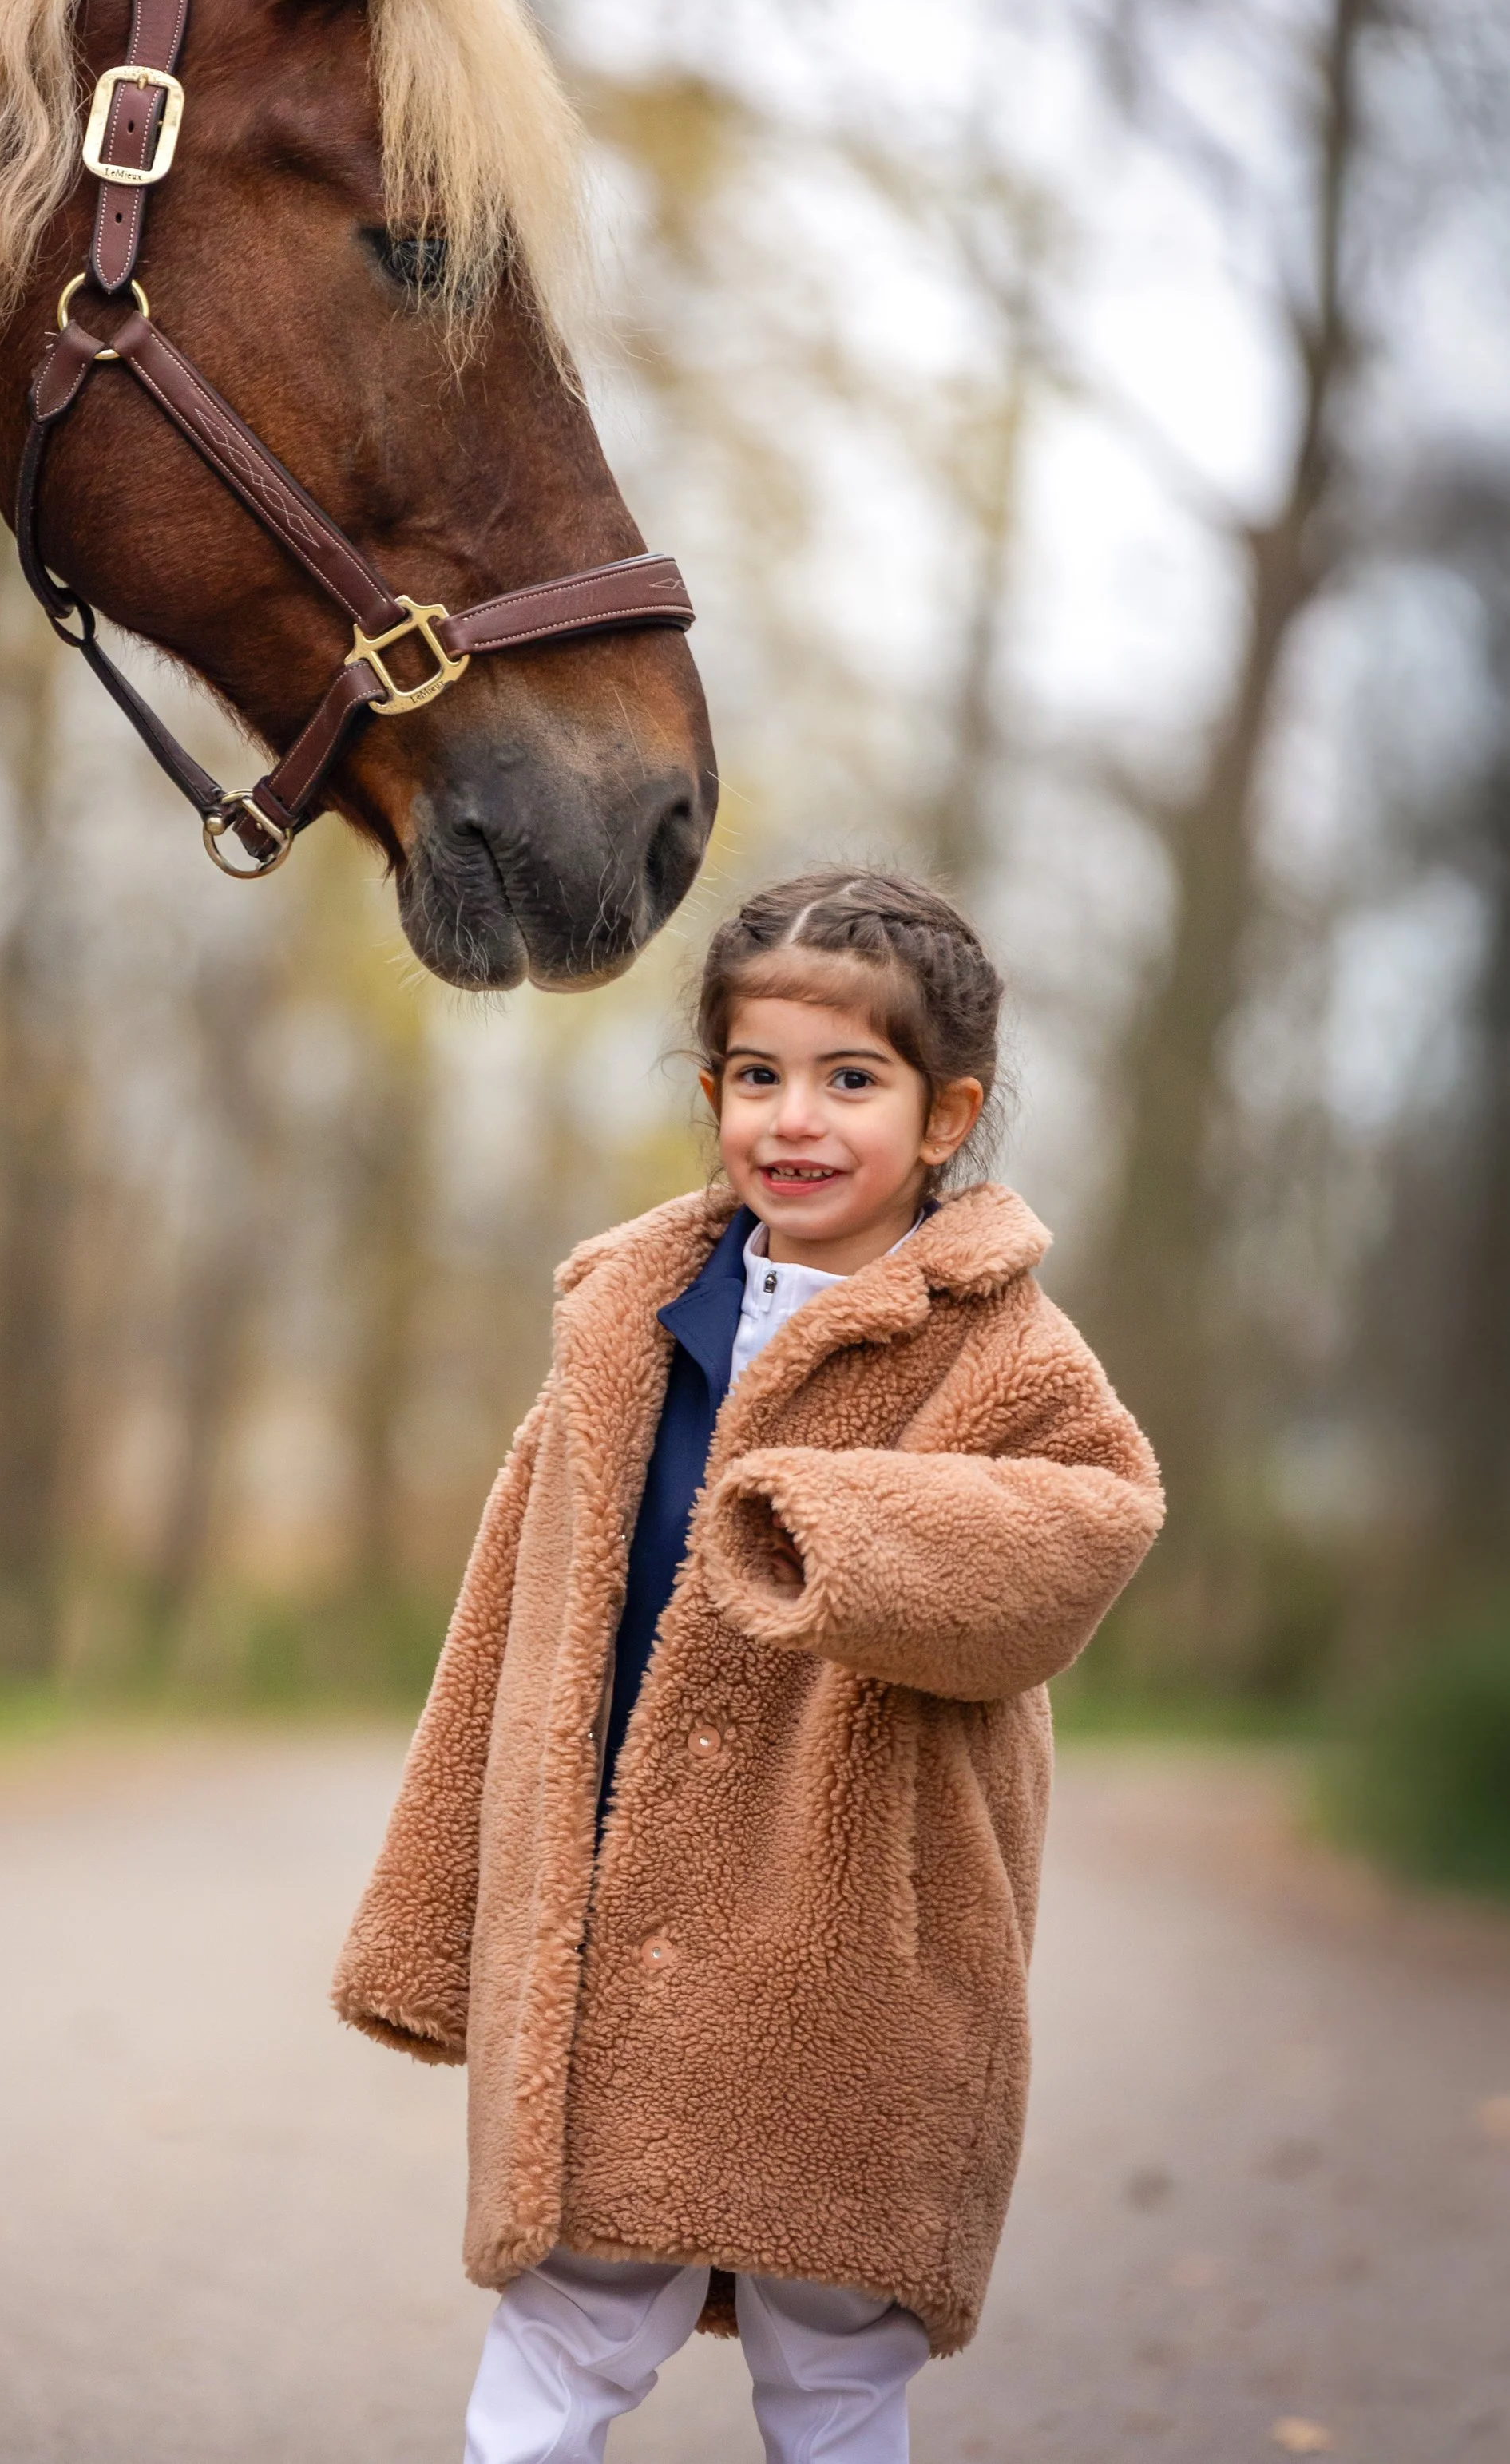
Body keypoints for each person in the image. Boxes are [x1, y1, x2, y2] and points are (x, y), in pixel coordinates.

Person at [333, 867, 1163, 2464]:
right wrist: (434, 1910)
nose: (795, 1117)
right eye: (756, 1076)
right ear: (712, 1091)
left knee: (832, 2362)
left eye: (850, 1080)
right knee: (559, 2333)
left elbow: (1085, 1528)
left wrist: (830, 1523)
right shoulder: (628, 1317)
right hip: (608, 1939)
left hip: (840, 1959)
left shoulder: (997, 1342)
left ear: (943, 1117)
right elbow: (506, 1631)